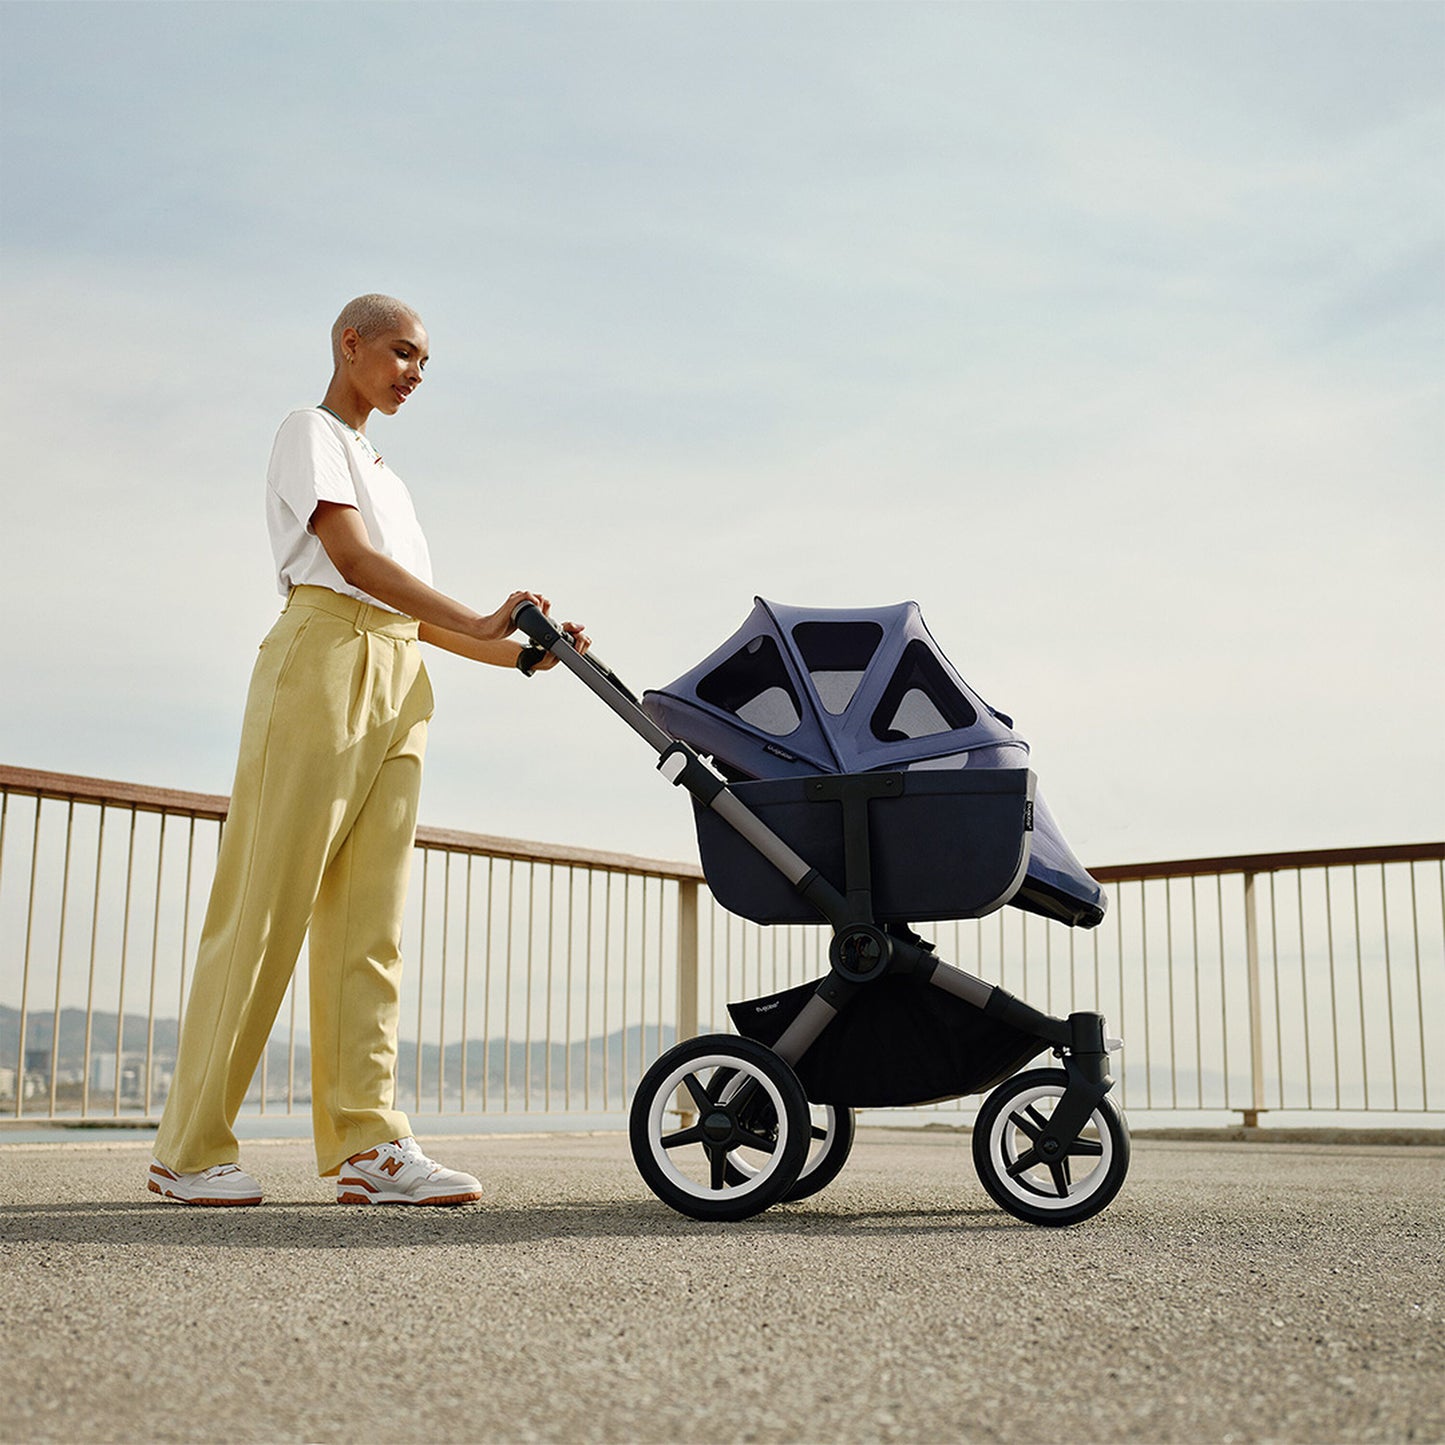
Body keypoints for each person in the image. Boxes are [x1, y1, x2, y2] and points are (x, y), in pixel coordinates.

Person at [148, 294, 585, 1207]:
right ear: (350, 344)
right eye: (401, 353)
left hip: (397, 675)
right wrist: (473, 612)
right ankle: (188, 1149)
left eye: (423, 362)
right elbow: (348, 562)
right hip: (322, 657)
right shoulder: (307, 431)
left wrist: (522, 657)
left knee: (369, 928)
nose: (413, 373)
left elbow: (410, 612)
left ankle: (366, 1144)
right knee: (264, 906)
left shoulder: (391, 477)